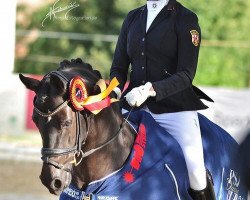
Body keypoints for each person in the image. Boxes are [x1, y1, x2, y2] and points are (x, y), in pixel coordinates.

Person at [110, 0, 216, 199]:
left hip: (174, 107)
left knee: (195, 170)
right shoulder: (133, 17)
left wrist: (151, 90)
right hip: (134, 105)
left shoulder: (186, 19)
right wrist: (114, 91)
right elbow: (119, 67)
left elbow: (186, 74)